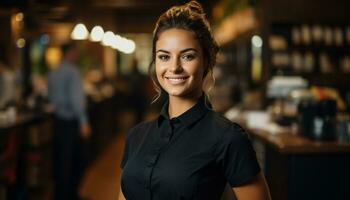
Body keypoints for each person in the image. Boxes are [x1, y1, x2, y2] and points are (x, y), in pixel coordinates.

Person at [119, 1, 271, 200]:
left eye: (187, 56)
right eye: (164, 57)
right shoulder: (136, 137)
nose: (174, 67)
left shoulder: (228, 138)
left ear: (206, 61)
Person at [47, 43, 91, 200]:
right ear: (70, 53)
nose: (77, 55)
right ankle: (71, 195)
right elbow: (77, 99)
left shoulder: (53, 71)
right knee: (78, 160)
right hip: (72, 122)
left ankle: (61, 195)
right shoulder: (72, 71)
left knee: (61, 162)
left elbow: (50, 96)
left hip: (57, 121)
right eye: (75, 52)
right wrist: (84, 121)